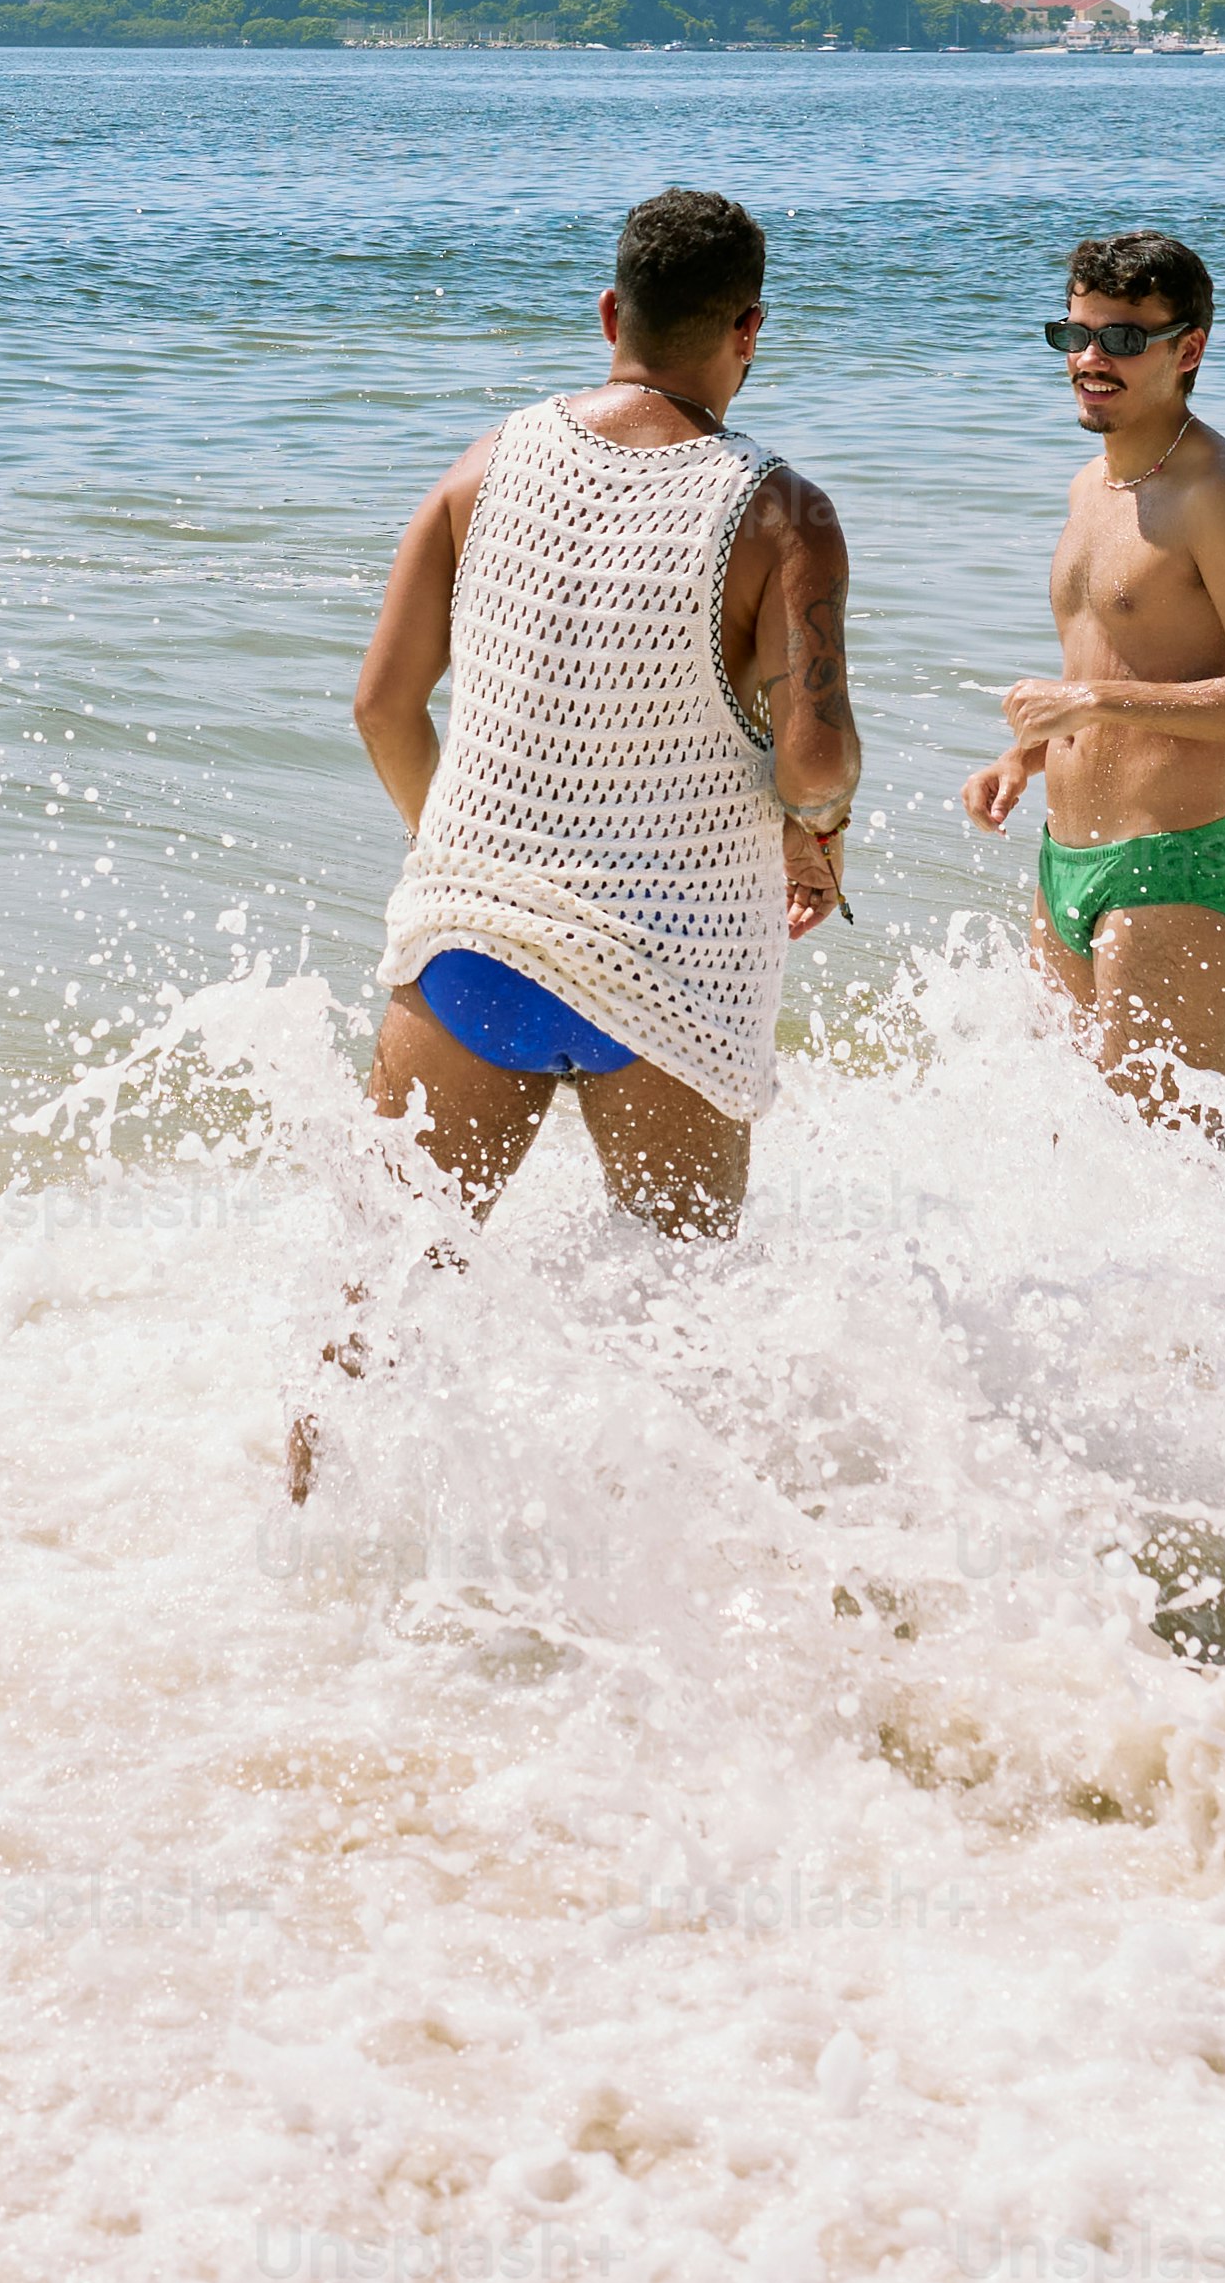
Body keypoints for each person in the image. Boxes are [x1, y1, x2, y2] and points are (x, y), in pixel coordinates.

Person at [298, 190, 858, 1496]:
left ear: (611, 314)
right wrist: (816, 835)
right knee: (690, 1331)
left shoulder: (483, 468)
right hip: (676, 979)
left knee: (371, 1315)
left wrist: (469, 861)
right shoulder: (782, 515)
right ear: (750, 331)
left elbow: (381, 704)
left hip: (470, 957)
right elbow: (817, 756)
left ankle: (299, 1582)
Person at [959, 229, 1225, 1123]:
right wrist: (1026, 756)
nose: (1090, 358)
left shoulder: (1223, 493)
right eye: (1074, 334)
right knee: (1080, 1155)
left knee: (1178, 1169)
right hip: (1062, 864)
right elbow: (1111, 664)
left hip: (1170, 869)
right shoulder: (1093, 486)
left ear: (1188, 348)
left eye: (1122, 338)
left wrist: (1092, 701)